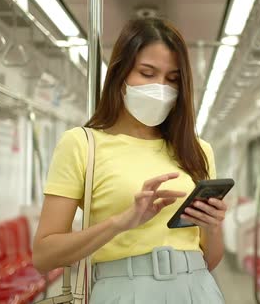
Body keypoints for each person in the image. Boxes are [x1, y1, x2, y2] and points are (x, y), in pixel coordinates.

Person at [32, 17, 227, 303]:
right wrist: (121, 222)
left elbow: (210, 259)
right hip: (121, 290)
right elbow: (44, 256)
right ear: (120, 74)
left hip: (198, 289)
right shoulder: (83, 144)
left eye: (172, 79)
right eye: (147, 73)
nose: (160, 87)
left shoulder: (197, 150)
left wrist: (212, 227)